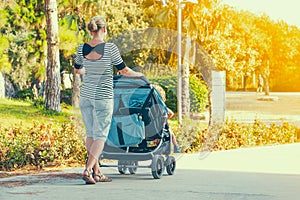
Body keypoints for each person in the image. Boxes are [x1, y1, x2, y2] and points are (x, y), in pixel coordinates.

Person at [74, 16, 143, 184]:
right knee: (101, 135)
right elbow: (124, 70)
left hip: (86, 96)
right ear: (104, 29)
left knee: (90, 134)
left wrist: (91, 72)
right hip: (103, 97)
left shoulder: (81, 48)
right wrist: (139, 75)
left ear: (90, 30)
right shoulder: (110, 48)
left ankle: (97, 173)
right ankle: (88, 170)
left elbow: (78, 71)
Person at [152, 83, 181, 153]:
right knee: (170, 132)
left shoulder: (145, 107)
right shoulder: (161, 106)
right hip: (160, 125)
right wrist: (165, 118)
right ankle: (176, 146)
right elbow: (171, 113)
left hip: (148, 126)